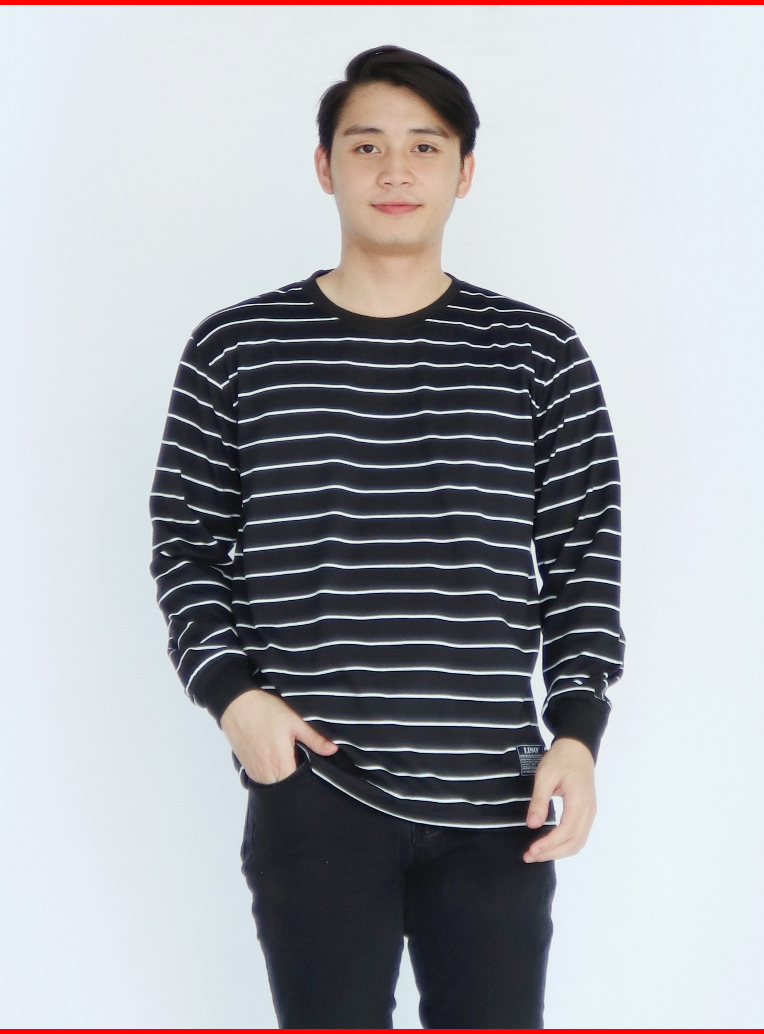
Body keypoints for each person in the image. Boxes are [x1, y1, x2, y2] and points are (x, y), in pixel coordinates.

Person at [149, 44, 625, 1029]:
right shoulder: (237, 349)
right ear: (325, 165)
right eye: (367, 145)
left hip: (496, 800)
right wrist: (234, 700)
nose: (395, 170)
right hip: (316, 786)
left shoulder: (538, 355)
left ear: (464, 170)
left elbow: (583, 556)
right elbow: (186, 544)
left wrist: (578, 734)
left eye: (424, 146)